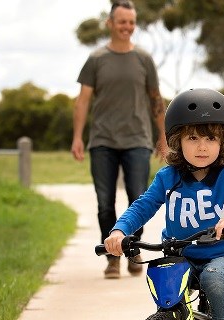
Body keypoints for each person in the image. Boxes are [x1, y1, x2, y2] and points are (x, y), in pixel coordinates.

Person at [104, 88, 224, 320]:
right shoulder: (168, 177)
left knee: (212, 279)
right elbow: (143, 206)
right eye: (193, 138)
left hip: (220, 254)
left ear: (223, 141)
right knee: (166, 284)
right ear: (177, 141)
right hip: (181, 253)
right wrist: (119, 231)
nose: (202, 147)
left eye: (210, 138)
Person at [71, 0, 167, 279]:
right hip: (102, 140)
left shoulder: (144, 59)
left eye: (131, 22)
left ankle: (133, 249)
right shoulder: (96, 59)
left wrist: (163, 136)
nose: (127, 27)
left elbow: (156, 99)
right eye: (122, 21)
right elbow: (83, 100)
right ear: (110, 23)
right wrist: (77, 137)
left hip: (138, 139)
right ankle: (112, 257)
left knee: (138, 198)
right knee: (105, 203)